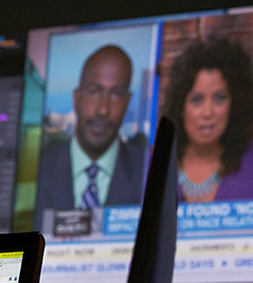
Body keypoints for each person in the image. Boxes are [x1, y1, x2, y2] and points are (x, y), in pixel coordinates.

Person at [34, 44, 148, 221]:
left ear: (128, 101)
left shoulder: (149, 171)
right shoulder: (37, 169)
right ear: (76, 97)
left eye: (116, 94)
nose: (103, 109)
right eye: (93, 91)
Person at [163, 36, 253, 202]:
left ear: (234, 103)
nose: (207, 112)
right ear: (181, 106)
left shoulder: (250, 163)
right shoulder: (155, 164)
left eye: (219, 98)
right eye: (197, 99)